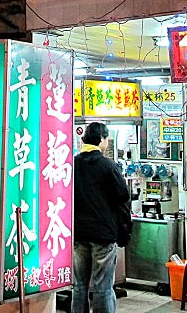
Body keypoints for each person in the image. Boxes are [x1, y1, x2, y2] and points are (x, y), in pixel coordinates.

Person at [73, 121, 131, 313]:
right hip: (103, 235)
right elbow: (123, 195)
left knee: (79, 286)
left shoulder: (73, 164)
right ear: (101, 140)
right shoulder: (108, 165)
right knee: (102, 287)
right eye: (107, 139)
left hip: (79, 233)